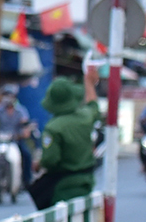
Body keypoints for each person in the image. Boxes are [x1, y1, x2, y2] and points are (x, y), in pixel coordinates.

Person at [32, 77, 98, 206]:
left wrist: (38, 164)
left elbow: (50, 160)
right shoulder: (85, 117)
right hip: (86, 180)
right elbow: (93, 105)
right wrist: (89, 83)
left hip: (63, 185)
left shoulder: (53, 128)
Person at [0, 85, 35, 180]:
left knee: (26, 155)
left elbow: (24, 123)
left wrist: (25, 132)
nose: (7, 98)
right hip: (1, 139)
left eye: (9, 95)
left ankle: (27, 179)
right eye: (5, 95)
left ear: (14, 97)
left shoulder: (20, 110)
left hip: (15, 139)